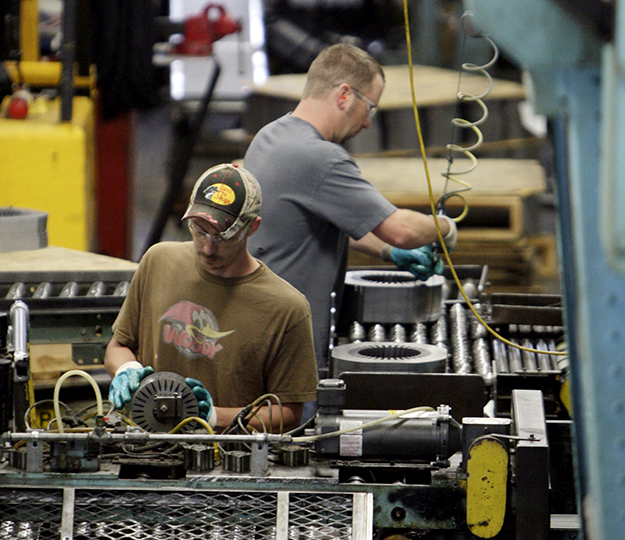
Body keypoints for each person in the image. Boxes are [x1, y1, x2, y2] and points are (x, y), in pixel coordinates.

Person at [243, 43, 458, 378]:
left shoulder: (270, 136)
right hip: (290, 351)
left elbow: (317, 224)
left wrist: (388, 252)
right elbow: (401, 229)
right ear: (344, 95)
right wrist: (446, 226)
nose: (369, 122)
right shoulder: (321, 158)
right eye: (370, 107)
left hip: (258, 334)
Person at [104, 163, 319, 432]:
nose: (208, 247)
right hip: (146, 445)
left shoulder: (287, 309)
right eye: (199, 230)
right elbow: (118, 346)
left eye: (223, 236)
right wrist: (126, 369)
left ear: (252, 228)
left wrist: (215, 417)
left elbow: (288, 414)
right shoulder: (158, 262)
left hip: (228, 458)